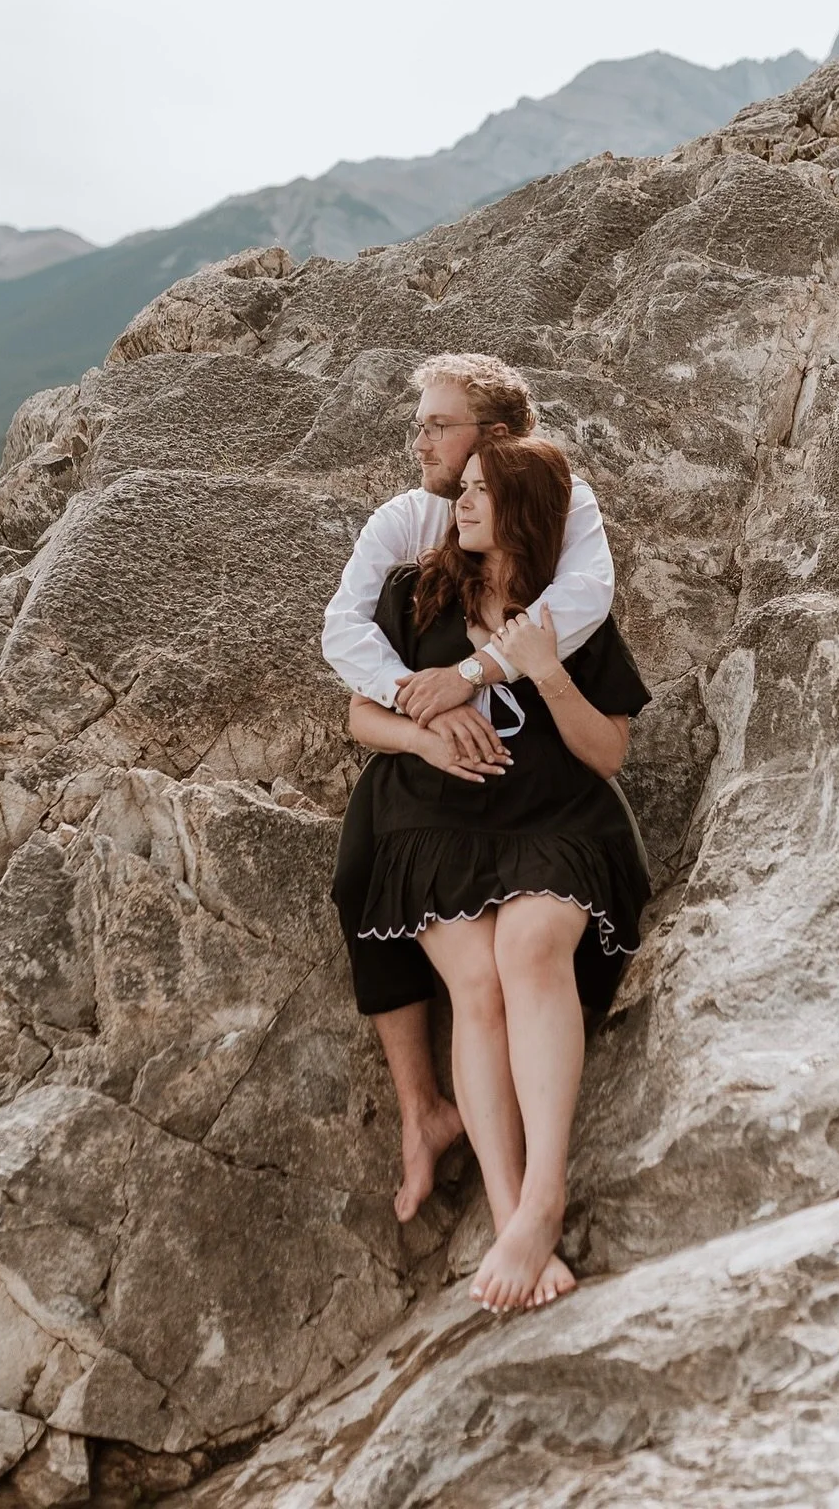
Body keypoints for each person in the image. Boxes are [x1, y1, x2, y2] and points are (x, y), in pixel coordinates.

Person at [333, 434, 650, 1310]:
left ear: (524, 512)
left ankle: (543, 1196)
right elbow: (362, 717)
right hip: (431, 823)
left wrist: (546, 675)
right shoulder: (416, 591)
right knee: (474, 984)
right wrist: (425, 732)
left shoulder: (569, 613)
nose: (457, 502)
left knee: (531, 953)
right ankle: (511, 1217)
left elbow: (608, 754)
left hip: (554, 820)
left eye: (477, 491)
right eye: (459, 488)